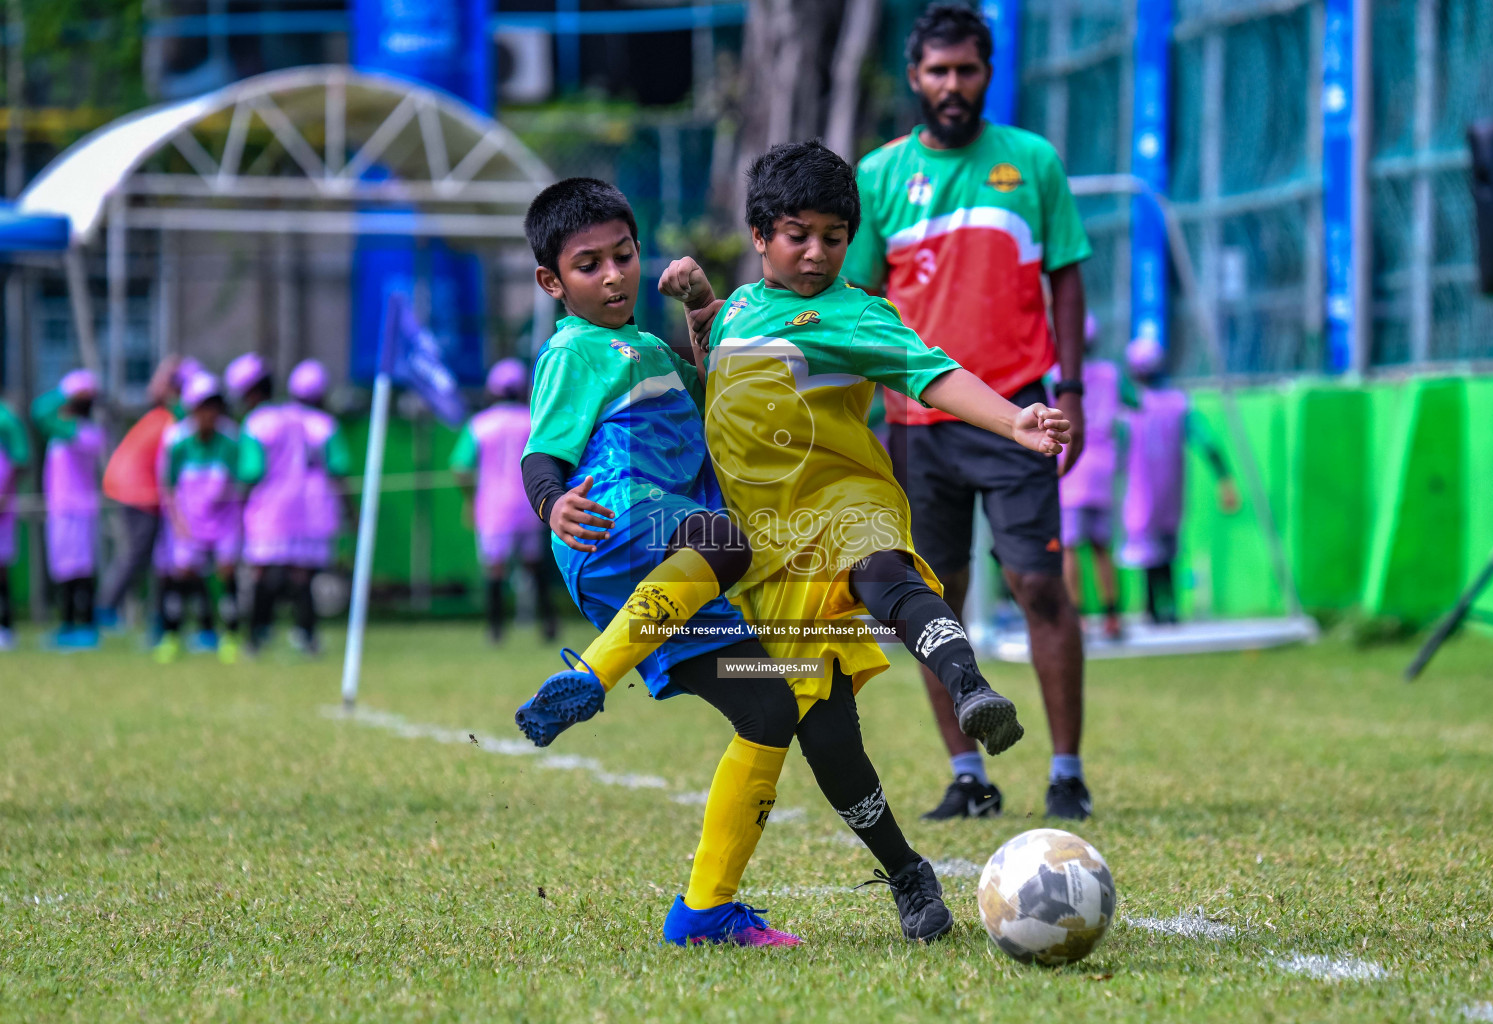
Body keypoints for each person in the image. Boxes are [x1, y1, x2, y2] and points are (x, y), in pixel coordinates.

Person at [658, 140, 1071, 941]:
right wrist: (698, 303)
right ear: (759, 235)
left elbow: (932, 372)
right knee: (829, 738)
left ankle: (969, 685)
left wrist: (1014, 416)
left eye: (834, 236)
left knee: (886, 571)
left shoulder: (854, 313)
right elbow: (723, 367)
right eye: (797, 234)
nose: (816, 253)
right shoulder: (742, 306)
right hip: (775, 559)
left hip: (848, 507)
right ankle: (908, 872)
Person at [510, 177, 801, 948]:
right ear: (552, 282)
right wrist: (551, 503)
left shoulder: (648, 347)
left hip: (668, 587)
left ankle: (703, 912)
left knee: (769, 704)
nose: (612, 276)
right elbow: (542, 450)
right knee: (725, 538)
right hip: (620, 522)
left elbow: (718, 394)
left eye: (623, 256)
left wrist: (698, 307)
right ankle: (592, 676)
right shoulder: (576, 350)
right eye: (587, 265)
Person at [842, 3, 1095, 822]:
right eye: (938, 71)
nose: (953, 85)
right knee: (933, 599)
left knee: (1037, 585)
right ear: (914, 78)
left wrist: (1074, 390)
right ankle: (966, 774)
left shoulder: (1032, 162)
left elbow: (1066, 276)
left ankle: (1065, 771)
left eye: (968, 70)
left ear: (989, 74)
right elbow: (859, 301)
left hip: (1019, 409)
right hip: (916, 428)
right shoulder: (879, 176)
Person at [1120, 336, 1239, 624]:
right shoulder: (1179, 403)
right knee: (1166, 549)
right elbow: (1208, 442)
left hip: (1142, 490)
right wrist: (1224, 479)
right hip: (1170, 491)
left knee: (1149, 552)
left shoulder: (1132, 404)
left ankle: (1153, 608)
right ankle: (1168, 607)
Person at [448, 357, 558, 644]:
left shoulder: (479, 424)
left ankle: (495, 630)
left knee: (494, 568)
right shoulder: (533, 420)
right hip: (531, 503)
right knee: (534, 565)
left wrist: (470, 499)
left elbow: (460, 467)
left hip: (493, 506)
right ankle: (549, 624)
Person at [100, 356, 197, 631]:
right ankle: (105, 611)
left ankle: (157, 617)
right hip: (139, 493)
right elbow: (156, 392)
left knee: (156, 559)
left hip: (140, 490)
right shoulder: (172, 418)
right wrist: (167, 374)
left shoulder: (167, 416)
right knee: (138, 556)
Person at [228, 353, 316, 656]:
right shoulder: (293, 417)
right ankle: (307, 634)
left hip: (267, 507)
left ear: (251, 392)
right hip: (300, 505)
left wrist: (236, 495)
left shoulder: (256, 424)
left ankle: (256, 636)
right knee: (299, 572)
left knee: (261, 572)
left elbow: (252, 470)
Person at [153, 371, 243, 663]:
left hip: (224, 521)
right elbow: (168, 486)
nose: (210, 413)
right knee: (181, 575)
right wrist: (179, 523)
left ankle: (229, 636)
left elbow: (240, 483)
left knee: (226, 573)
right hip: (188, 520)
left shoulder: (230, 440)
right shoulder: (177, 441)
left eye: (215, 406)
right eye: (204, 406)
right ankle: (171, 637)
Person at [1057, 313, 1132, 641]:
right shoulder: (1112, 374)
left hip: (1070, 466)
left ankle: (1078, 616)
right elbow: (1135, 402)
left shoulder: (1056, 375)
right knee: (1102, 547)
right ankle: (1113, 615)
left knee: (1070, 548)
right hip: (1103, 466)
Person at [33, 369, 105, 648]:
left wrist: (67, 393)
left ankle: (84, 626)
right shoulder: (65, 429)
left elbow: (39, 410)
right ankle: (67, 626)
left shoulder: (84, 431)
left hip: (79, 510)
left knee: (80, 570)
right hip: (62, 508)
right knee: (65, 570)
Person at [287, 359, 352, 652]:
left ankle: (289, 630)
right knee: (308, 573)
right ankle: (306, 631)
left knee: (286, 568)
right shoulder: (325, 425)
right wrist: (351, 509)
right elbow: (338, 469)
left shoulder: (277, 419)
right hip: (317, 504)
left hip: (283, 504)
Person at [0, 396, 31, 651]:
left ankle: (5, 626)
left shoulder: (6, 418)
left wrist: (5, 496)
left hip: (2, 507)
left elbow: (21, 461)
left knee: (1, 566)